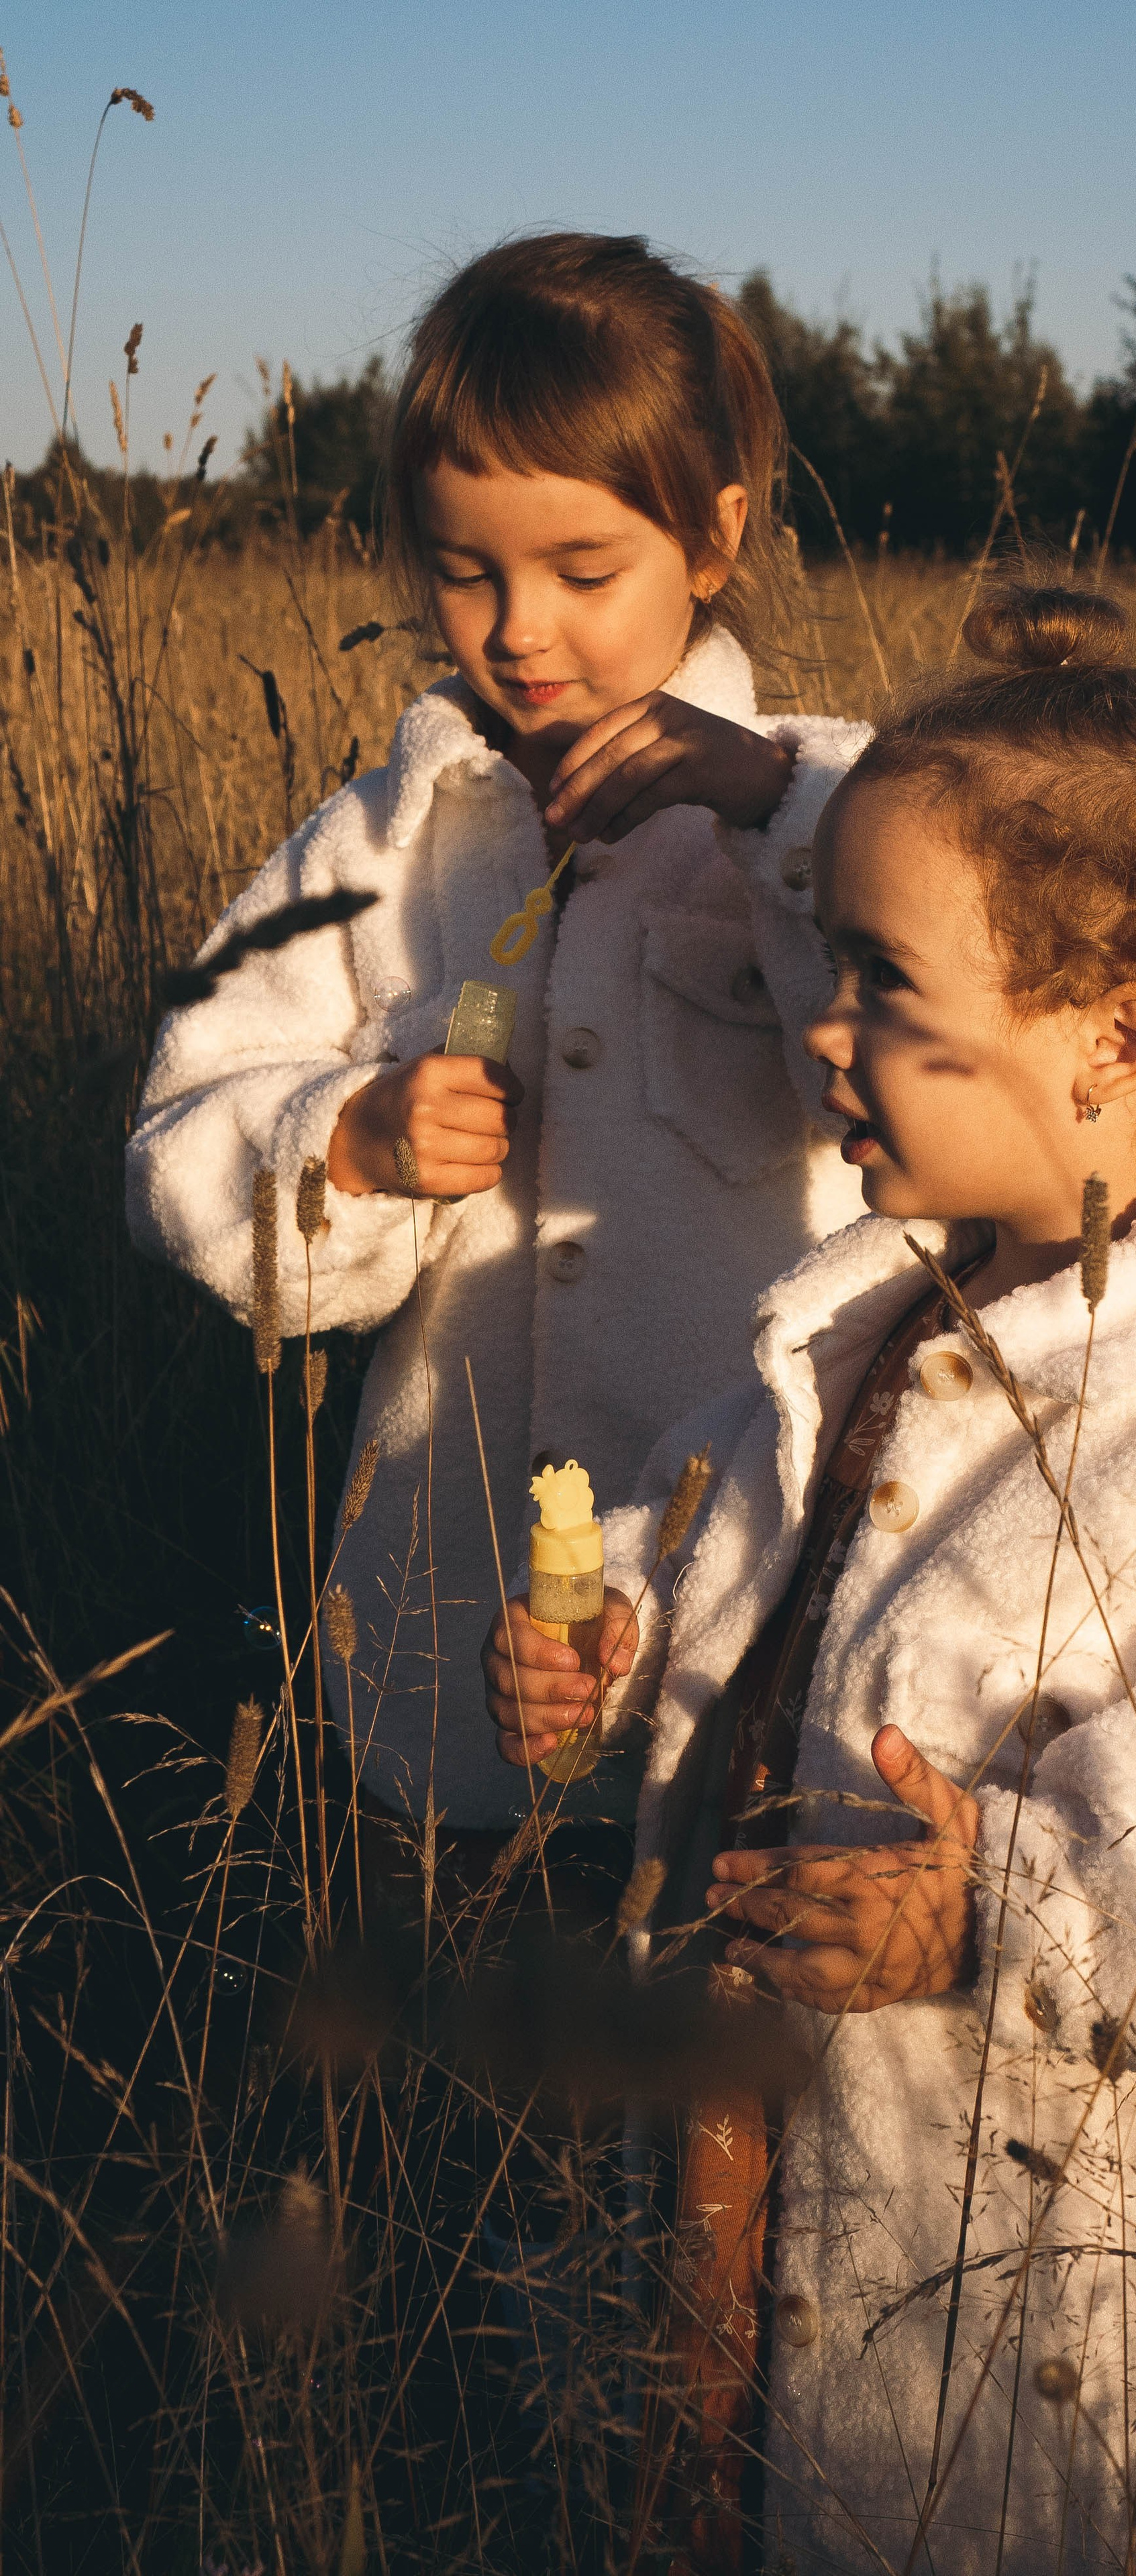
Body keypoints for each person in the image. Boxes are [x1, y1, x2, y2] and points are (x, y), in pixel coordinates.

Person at [486, 586, 1136, 2569]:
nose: (819, 1025)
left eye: (882, 980)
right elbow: (733, 1505)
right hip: (729, 2184)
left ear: (1110, 1043)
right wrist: (621, 1628)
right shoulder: (873, 1312)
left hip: (1022, 2320)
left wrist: (1011, 1901)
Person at [127, 231, 868, 1844]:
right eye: (467, 572)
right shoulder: (380, 846)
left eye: (584, 573)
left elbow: (946, 1033)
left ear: (715, 537)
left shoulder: (835, 809)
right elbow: (184, 1128)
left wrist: (768, 811)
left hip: (738, 1632)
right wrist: (343, 1136)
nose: (520, 629)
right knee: (461, 2033)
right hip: (434, 1634)